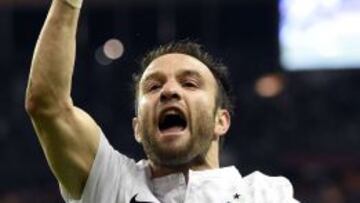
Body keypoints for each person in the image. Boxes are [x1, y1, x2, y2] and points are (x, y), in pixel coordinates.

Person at [25, 0, 299, 202]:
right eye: (153, 86)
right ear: (137, 128)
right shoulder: (111, 184)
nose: (169, 91)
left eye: (189, 83)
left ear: (221, 120)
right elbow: (47, 104)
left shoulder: (266, 195)